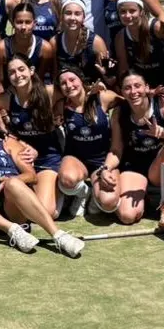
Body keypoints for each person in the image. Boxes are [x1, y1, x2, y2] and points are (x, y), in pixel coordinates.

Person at [0, 107, 85, 257]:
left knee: (13, 184)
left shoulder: (7, 144)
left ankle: (59, 236)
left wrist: (11, 180)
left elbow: (32, 176)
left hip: (12, 206)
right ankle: (12, 230)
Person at [95, 71, 164, 227]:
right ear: (122, 92)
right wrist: (106, 168)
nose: (133, 92)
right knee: (127, 216)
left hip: (158, 167)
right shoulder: (119, 112)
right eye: (127, 88)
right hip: (134, 167)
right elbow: (116, 149)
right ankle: (145, 196)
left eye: (137, 86)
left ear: (146, 88)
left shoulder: (162, 104)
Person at [0, 54, 61, 216]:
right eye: (12, 72)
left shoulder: (49, 92)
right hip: (22, 160)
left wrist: (60, 109)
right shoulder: (7, 99)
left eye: (21, 69)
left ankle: (66, 192)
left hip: (48, 159)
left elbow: (78, 96)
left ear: (31, 70)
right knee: (27, 209)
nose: (18, 75)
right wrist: (5, 129)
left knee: (46, 211)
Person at [56, 68, 121, 218]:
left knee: (108, 202)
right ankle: (83, 193)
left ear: (82, 80)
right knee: (67, 179)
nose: (69, 85)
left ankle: (94, 197)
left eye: (72, 80)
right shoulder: (61, 105)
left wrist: (108, 82)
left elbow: (129, 102)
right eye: (63, 83)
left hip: (103, 160)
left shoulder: (103, 97)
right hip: (77, 158)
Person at [0, 1, 55, 95]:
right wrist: (2, 108)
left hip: (33, 93)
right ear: (13, 23)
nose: (23, 27)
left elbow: (39, 79)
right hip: (9, 94)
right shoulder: (1, 48)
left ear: (35, 24)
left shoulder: (45, 49)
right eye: (19, 22)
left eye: (28, 22)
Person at [114, 0, 164, 89]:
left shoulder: (156, 27)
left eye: (132, 11)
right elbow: (123, 69)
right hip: (142, 88)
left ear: (141, 12)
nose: (127, 15)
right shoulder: (120, 36)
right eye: (123, 12)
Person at [55, 0, 109, 79]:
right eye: (68, 13)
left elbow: (107, 76)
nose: (72, 18)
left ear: (83, 17)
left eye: (77, 14)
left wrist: (106, 75)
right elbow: (54, 74)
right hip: (67, 88)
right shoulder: (55, 41)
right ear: (62, 17)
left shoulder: (96, 42)